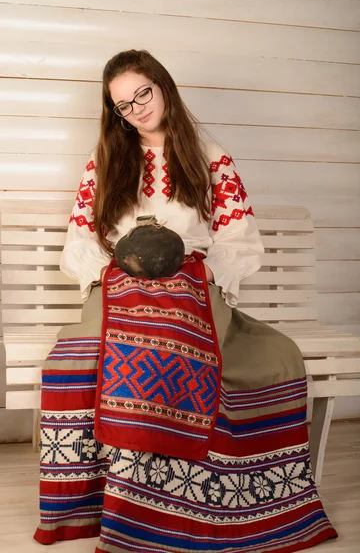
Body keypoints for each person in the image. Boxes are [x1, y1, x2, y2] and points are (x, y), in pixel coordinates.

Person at [34, 49, 337, 552]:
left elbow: (238, 239)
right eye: (123, 105)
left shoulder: (208, 156)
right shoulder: (105, 161)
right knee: (87, 350)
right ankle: (93, 505)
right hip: (121, 279)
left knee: (176, 345)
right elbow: (81, 239)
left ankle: (182, 503)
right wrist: (107, 274)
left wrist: (203, 273)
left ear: (163, 85)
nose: (136, 109)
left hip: (193, 279)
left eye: (142, 94)